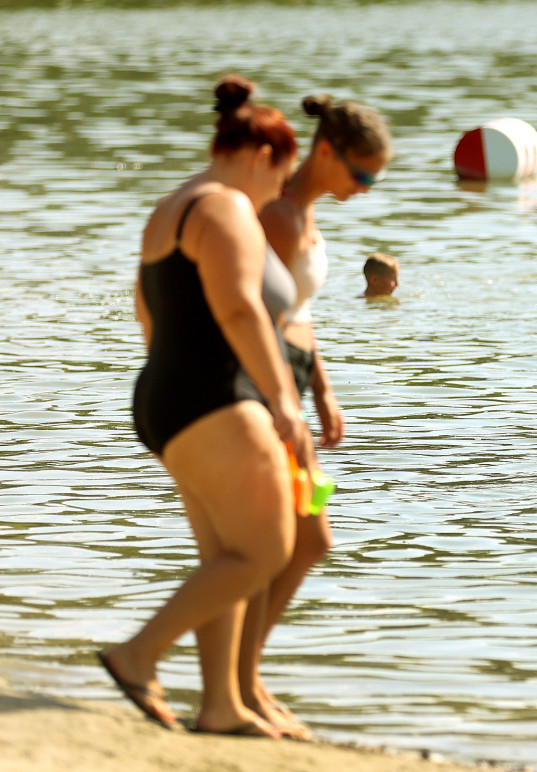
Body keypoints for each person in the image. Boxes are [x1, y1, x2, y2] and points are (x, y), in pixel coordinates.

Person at [99, 74, 307, 739]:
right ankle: (138, 654)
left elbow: (146, 311)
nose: (278, 192)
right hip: (213, 396)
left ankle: (221, 705)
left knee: (225, 555)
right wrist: (283, 403)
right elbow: (241, 308)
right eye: (281, 175)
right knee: (264, 550)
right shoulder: (224, 206)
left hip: (167, 396)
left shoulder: (170, 207)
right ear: (259, 156)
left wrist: (174, 380)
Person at [251, 93, 392, 739]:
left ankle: (247, 678)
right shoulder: (276, 217)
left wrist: (326, 392)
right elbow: (255, 320)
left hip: (295, 393)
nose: (363, 191)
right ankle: (240, 683)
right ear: (327, 152)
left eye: (374, 181)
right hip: (261, 397)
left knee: (309, 540)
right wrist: (285, 407)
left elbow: (300, 318)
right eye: (360, 176)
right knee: (284, 542)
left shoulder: (306, 218)